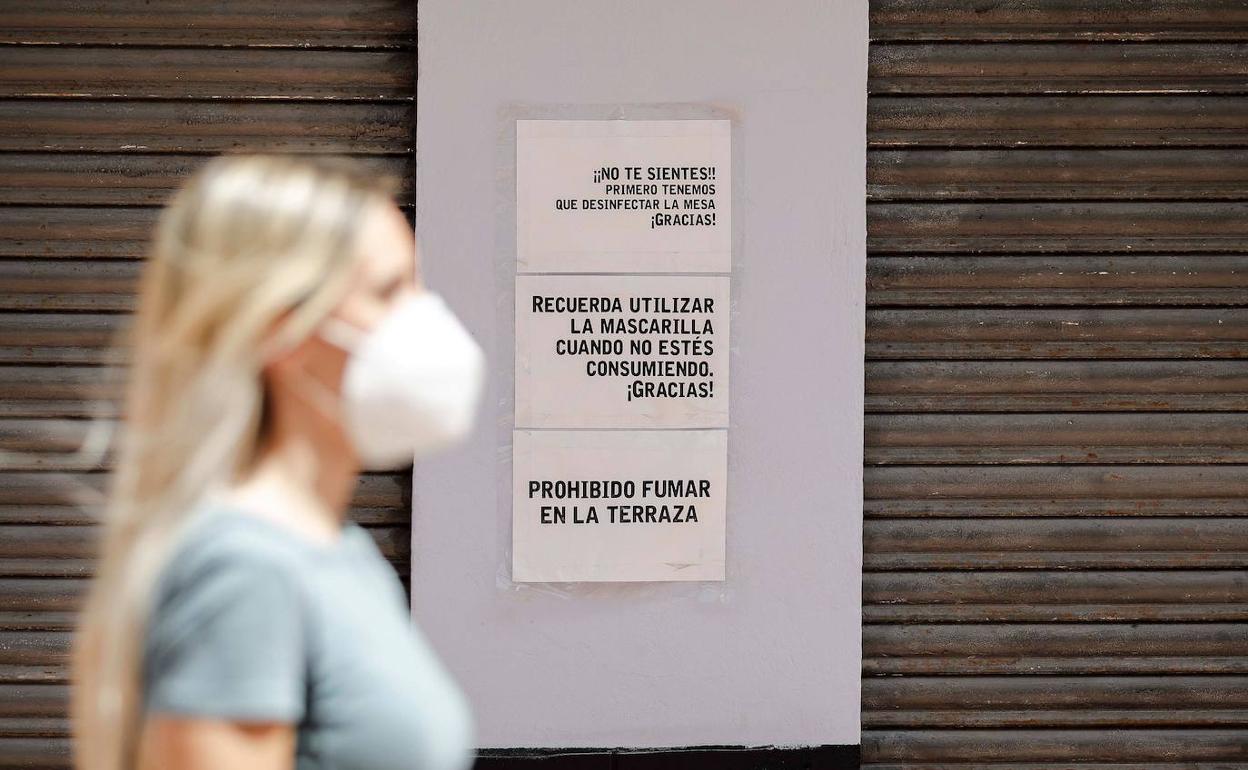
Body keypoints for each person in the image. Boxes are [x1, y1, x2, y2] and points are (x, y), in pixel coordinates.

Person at [70, 154, 485, 770]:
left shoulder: (337, 550)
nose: (422, 316)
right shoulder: (245, 570)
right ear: (280, 332)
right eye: (388, 290)